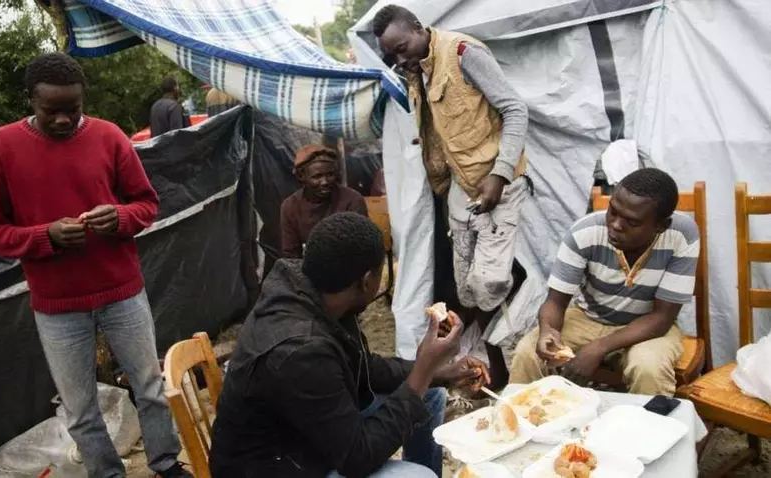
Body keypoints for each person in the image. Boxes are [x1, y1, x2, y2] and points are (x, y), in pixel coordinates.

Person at [0, 53, 190, 478]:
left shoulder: (108, 136)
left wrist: (120, 217)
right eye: (50, 110)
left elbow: (146, 204)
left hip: (122, 291)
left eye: (73, 108)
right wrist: (45, 236)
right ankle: (106, 473)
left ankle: (166, 463)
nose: (63, 119)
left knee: (149, 386)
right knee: (79, 407)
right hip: (57, 304)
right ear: (30, 100)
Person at [210, 212, 489, 478]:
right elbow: (357, 457)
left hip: (302, 434)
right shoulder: (301, 351)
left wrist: (439, 372)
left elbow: (366, 368)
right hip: (274, 466)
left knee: (430, 394)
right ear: (366, 281)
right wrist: (423, 371)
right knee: (420, 476)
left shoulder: (320, 292)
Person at [373, 5, 531, 387]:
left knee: (490, 283)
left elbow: (515, 109)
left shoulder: (463, 53)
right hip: (460, 190)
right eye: (392, 56)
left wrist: (500, 173)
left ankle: (514, 358)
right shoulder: (416, 72)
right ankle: (493, 364)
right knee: (466, 288)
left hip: (496, 185)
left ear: (418, 28)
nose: (400, 60)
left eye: (402, 48)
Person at [509, 168, 699, 397]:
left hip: (646, 326)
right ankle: (522, 418)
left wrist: (599, 347)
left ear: (661, 226)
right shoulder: (585, 232)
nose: (616, 225)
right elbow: (556, 302)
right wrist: (548, 330)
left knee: (649, 369)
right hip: (588, 317)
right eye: (613, 211)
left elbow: (662, 317)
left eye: (632, 222)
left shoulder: (681, 235)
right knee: (527, 353)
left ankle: (649, 421)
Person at [280, 144, 368, 259]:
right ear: (302, 177)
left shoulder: (352, 200)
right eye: (317, 176)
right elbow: (291, 253)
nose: (325, 182)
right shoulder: (291, 206)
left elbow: (361, 247)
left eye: (330, 174)